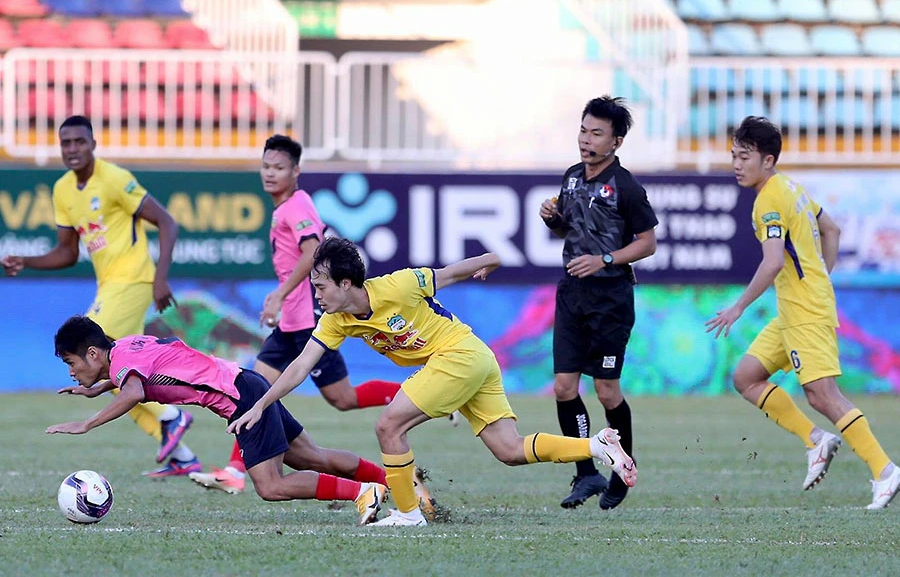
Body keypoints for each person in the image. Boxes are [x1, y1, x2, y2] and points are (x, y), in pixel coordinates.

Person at [228, 237, 638, 527]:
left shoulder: (399, 285)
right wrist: (261, 404)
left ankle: (408, 514)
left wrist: (491, 259)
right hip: (473, 359)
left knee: (388, 426)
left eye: (319, 286)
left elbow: (451, 273)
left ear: (345, 283)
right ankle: (595, 445)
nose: (316, 295)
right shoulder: (336, 321)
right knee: (509, 450)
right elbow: (300, 366)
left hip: (459, 354)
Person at [188, 135, 407, 495]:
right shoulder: (285, 208)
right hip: (289, 325)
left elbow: (313, 252)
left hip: (307, 323)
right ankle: (234, 471)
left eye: (279, 168)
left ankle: (418, 396)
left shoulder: (297, 206)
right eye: (266, 166)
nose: (270, 173)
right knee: (251, 389)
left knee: (343, 399)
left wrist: (280, 295)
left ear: (296, 171)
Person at [706, 116, 900, 510]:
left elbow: (773, 262)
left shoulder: (768, 201)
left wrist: (738, 307)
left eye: (745, 157)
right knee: (746, 377)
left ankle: (885, 470)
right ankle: (816, 440)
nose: (737, 165)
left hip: (804, 310)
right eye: (734, 156)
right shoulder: (791, 187)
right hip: (797, 306)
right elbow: (832, 230)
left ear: (768, 160)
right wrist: (818, 276)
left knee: (823, 395)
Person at [45, 316, 390, 525]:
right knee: (311, 457)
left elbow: (133, 391)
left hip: (241, 398)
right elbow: (141, 374)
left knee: (271, 486)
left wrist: (87, 423)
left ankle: (364, 492)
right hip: (248, 383)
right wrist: (99, 387)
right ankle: (393, 483)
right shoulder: (126, 346)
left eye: (71, 362)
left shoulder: (123, 364)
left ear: (93, 353)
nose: (71, 371)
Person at [1, 115, 200, 478]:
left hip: (134, 279)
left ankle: (171, 416)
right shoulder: (63, 190)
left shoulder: (114, 179)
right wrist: (26, 261)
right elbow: (67, 252)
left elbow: (167, 221)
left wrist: (160, 278)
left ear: (93, 144)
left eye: (80, 141)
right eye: (66, 143)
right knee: (117, 373)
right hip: (109, 285)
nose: (73, 149)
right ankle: (182, 455)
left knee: (93, 355)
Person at [538, 96, 658, 511]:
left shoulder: (626, 187)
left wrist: (605, 259)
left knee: (606, 391)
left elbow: (647, 243)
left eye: (597, 134)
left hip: (610, 298)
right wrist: (553, 220)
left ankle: (623, 468)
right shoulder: (572, 177)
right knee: (563, 387)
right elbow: (568, 231)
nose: (586, 140)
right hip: (572, 294)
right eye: (583, 130)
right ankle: (586, 472)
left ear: (616, 142)